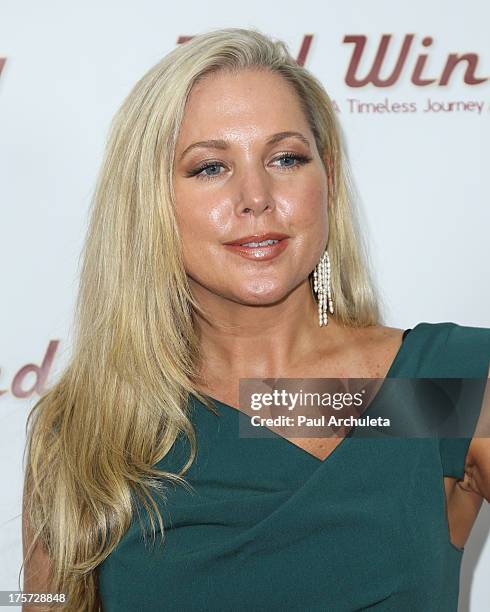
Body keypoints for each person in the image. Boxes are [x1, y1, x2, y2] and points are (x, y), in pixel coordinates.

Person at [22, 27, 490, 611]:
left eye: (286, 158)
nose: (256, 196)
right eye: (210, 167)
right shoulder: (88, 427)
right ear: (149, 203)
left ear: (330, 180)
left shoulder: (439, 385)